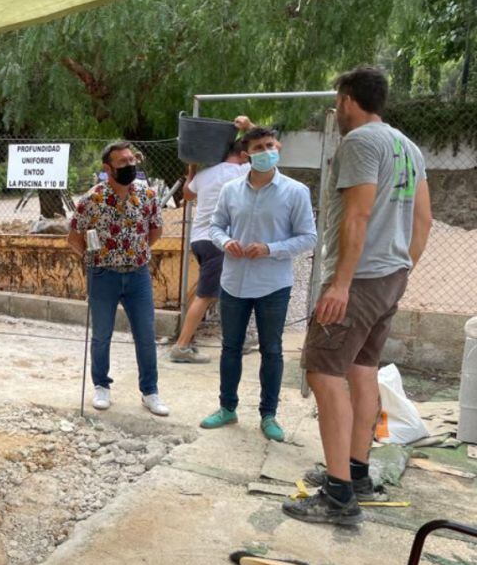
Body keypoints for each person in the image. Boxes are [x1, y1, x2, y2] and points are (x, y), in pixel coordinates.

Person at [283, 66, 433, 526]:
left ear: (348, 100)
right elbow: (423, 219)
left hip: (361, 278)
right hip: (389, 276)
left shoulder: (360, 143)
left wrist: (342, 284)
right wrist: (402, 266)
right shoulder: (407, 146)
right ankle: (357, 472)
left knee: (324, 374)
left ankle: (338, 496)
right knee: (362, 371)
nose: (336, 109)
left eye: (337, 101)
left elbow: (357, 216)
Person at [199, 126, 317, 441]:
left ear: (277, 147)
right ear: (246, 154)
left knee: (272, 350)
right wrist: (226, 242)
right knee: (230, 347)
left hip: (273, 284)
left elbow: (308, 237)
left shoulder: (295, 191)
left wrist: (270, 249)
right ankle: (227, 408)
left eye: (270, 145)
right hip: (234, 280)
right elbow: (215, 226)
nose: (265, 152)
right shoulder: (231, 189)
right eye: (258, 148)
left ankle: (268, 415)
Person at [68, 141, 170, 417]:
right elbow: (74, 237)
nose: (129, 165)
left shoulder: (147, 195)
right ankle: (101, 386)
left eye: (131, 160)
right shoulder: (92, 199)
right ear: (107, 167)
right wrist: (93, 258)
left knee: (146, 335)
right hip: (103, 275)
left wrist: (137, 251)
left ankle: (150, 391)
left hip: (137, 275)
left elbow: (156, 230)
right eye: (122, 162)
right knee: (102, 335)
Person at [169, 134, 250, 363]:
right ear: (243, 155)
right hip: (218, 241)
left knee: (226, 291)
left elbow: (187, 193)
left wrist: (192, 168)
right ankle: (182, 346)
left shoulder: (205, 174)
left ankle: (238, 339)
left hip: (200, 239)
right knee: (205, 295)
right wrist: (250, 128)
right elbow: (271, 158)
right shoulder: (241, 172)